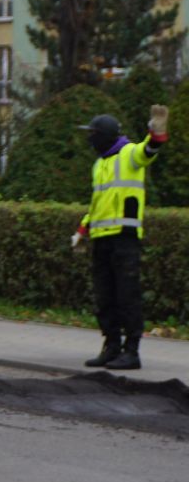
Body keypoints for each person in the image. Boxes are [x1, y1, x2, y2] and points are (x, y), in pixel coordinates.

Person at [73, 106, 167, 369]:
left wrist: (156, 133)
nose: (90, 139)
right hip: (102, 238)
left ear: (104, 135)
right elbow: (98, 203)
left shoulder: (128, 153)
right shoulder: (100, 164)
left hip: (124, 238)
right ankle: (111, 346)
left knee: (127, 296)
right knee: (105, 296)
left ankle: (132, 351)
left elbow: (148, 152)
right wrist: (83, 230)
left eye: (92, 133)